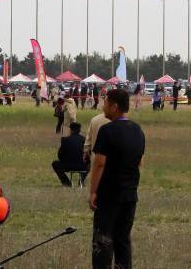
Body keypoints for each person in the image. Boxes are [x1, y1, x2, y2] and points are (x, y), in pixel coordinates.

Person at [89, 87, 145, 269]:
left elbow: (99, 164)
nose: (103, 106)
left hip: (109, 195)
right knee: (123, 240)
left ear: (114, 106)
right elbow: (140, 162)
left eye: (105, 102)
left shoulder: (107, 131)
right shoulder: (138, 130)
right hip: (130, 195)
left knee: (103, 240)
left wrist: (93, 192)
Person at [53, 121, 88, 187]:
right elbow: (87, 154)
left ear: (70, 130)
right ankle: (81, 181)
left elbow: (60, 155)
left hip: (67, 166)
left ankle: (66, 182)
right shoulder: (84, 139)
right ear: (80, 130)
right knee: (89, 163)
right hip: (82, 166)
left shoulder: (65, 139)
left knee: (54, 163)